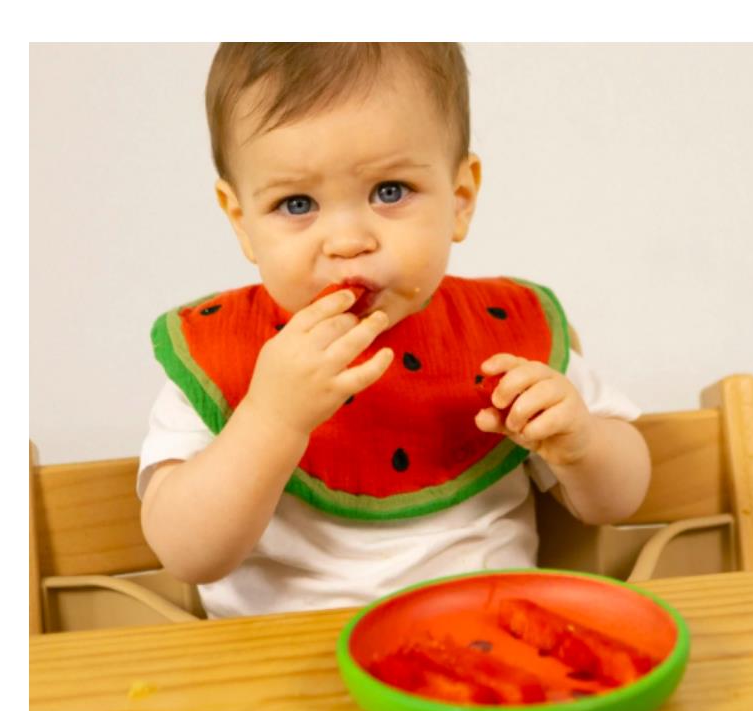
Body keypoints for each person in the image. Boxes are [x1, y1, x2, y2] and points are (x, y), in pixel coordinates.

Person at [138, 43, 651, 618]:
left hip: (485, 650)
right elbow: (187, 554)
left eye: (390, 191)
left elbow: (620, 499)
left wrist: (582, 445)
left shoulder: (509, 335)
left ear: (460, 199)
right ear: (242, 222)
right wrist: (270, 419)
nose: (349, 239)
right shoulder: (216, 354)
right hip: (280, 673)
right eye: (297, 202)